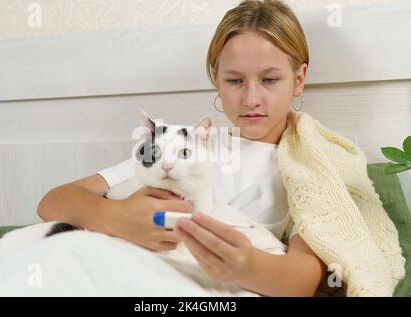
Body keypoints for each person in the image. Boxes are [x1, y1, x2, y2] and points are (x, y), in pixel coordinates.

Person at [38, 0, 327, 296]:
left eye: (269, 79)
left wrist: (248, 266)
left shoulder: (311, 166)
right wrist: (119, 218)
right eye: (235, 80)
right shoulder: (184, 146)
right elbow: (51, 202)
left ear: (299, 79)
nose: (251, 98)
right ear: (217, 79)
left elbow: (302, 281)